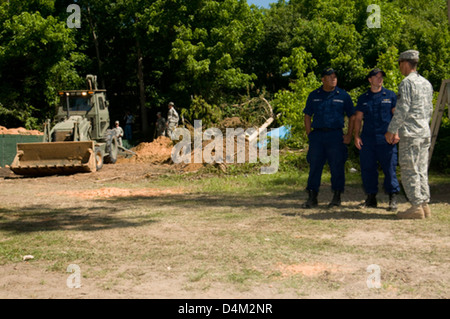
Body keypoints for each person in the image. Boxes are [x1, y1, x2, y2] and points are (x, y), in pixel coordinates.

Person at [385, 50, 434, 219]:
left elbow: (402, 109)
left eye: (399, 64)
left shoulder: (407, 83)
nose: (400, 68)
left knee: (409, 169)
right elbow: (430, 109)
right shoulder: (426, 83)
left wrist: (391, 129)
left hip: (411, 134)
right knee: (421, 169)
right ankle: (424, 204)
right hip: (424, 132)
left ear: (405, 63)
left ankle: (415, 207)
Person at [302, 68, 355, 209]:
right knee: (315, 166)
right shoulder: (314, 95)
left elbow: (353, 116)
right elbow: (307, 115)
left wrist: (349, 135)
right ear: (323, 79)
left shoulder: (343, 95)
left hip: (336, 136)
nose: (333, 79)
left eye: (335, 76)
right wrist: (309, 134)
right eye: (329, 77)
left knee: (337, 166)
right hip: (317, 136)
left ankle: (336, 197)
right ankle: (312, 197)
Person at [354, 68, 400, 211]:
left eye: (381, 77)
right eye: (376, 77)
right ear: (370, 79)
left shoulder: (390, 95)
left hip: (387, 139)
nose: (379, 79)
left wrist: (396, 133)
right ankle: (371, 198)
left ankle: (393, 198)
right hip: (368, 139)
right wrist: (356, 136)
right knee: (368, 169)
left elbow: (396, 116)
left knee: (390, 168)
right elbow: (358, 119)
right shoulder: (364, 98)